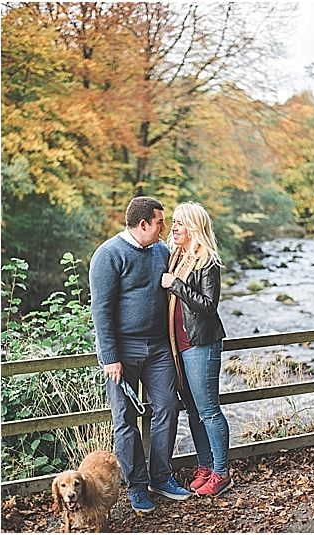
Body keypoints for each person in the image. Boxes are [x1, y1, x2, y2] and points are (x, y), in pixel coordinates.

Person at [91, 196, 193, 515]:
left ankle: (161, 477)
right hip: (123, 351)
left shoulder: (162, 251)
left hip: (159, 348)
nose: (165, 228)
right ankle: (136, 486)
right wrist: (110, 357)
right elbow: (101, 310)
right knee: (124, 419)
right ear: (144, 224)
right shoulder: (108, 255)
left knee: (168, 407)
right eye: (161, 222)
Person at [160, 202, 233, 496]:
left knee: (209, 411)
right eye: (173, 222)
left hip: (201, 343)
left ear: (194, 227)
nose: (174, 227)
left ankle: (221, 472)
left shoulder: (207, 262)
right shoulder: (175, 256)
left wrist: (176, 284)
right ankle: (205, 466)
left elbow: (207, 306)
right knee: (192, 410)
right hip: (180, 346)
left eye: (180, 223)